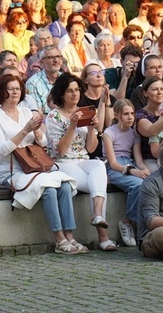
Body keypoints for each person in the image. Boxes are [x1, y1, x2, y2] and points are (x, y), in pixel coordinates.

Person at [0, 75, 83, 254]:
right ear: (2, 91)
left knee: (63, 185)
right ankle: (59, 239)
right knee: (48, 188)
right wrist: (25, 131)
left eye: (18, 88)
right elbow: (1, 150)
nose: (15, 92)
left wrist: (38, 133)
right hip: (10, 170)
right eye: (11, 88)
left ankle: (70, 235)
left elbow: (43, 142)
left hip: (34, 166)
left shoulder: (26, 112)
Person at [45, 73, 116, 250]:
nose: (75, 94)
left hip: (83, 159)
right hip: (62, 162)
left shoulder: (85, 111)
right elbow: (59, 150)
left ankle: (98, 213)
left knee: (99, 165)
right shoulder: (54, 116)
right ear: (62, 94)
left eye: (77, 90)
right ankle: (103, 236)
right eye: (70, 91)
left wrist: (92, 129)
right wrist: (72, 126)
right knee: (97, 184)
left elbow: (91, 149)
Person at [103, 99, 148, 247]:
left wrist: (144, 169)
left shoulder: (134, 134)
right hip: (115, 167)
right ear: (117, 115)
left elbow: (138, 159)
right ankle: (127, 221)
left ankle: (147, 225)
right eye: (126, 114)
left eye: (132, 113)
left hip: (130, 162)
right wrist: (132, 171)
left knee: (149, 183)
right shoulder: (109, 133)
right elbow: (113, 163)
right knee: (138, 185)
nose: (130, 117)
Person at [26, 45, 64, 114]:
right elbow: (37, 115)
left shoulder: (67, 80)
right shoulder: (33, 83)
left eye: (58, 56)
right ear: (41, 62)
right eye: (50, 57)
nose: (55, 60)